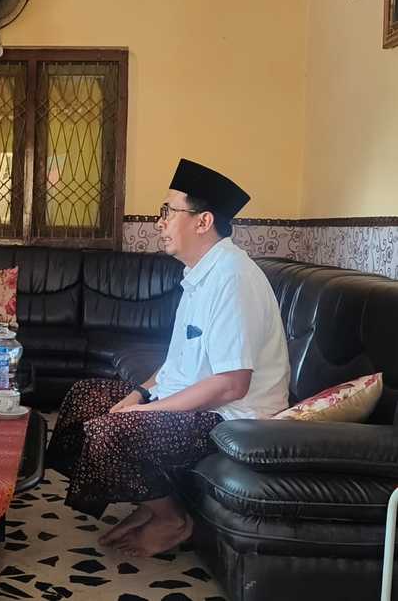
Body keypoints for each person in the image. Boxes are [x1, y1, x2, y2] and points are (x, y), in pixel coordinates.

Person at [46, 158, 290, 557]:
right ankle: (150, 502)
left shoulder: (233, 278)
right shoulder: (199, 274)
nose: (159, 223)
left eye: (167, 212)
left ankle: (171, 518)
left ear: (203, 221)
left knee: (111, 430)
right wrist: (139, 395)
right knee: (83, 400)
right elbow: (176, 362)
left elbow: (232, 384)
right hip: (193, 402)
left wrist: (144, 414)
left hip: (228, 418)